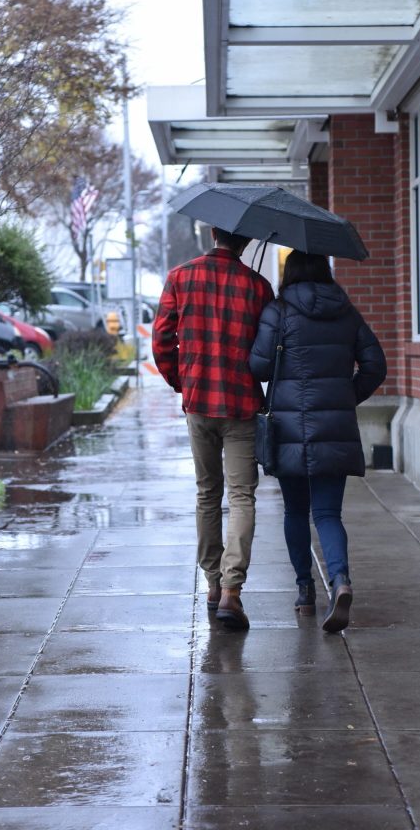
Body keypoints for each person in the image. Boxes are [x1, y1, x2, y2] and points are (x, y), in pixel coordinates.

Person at [249, 250, 386, 633]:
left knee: (295, 512)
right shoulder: (346, 312)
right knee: (327, 514)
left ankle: (305, 591)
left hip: (288, 431)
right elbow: (376, 365)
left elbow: (258, 366)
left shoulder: (277, 312)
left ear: (289, 273)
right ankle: (340, 581)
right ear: (325, 271)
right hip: (334, 430)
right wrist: (345, 398)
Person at [152, 227, 274, 630]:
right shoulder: (258, 286)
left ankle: (212, 583)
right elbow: (269, 351)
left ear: (211, 232)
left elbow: (161, 340)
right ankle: (232, 592)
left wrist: (181, 381)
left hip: (199, 400)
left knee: (208, 493)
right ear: (247, 242)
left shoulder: (180, 277)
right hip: (240, 404)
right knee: (242, 496)